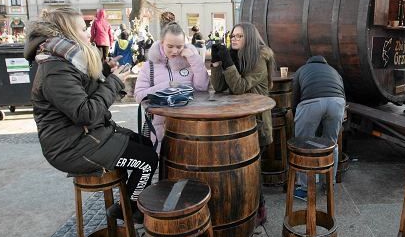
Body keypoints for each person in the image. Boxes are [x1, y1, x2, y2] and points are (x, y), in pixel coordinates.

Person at [23, 7, 157, 224]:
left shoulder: (66, 59)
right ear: (69, 34)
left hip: (88, 136)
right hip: (71, 147)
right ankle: (132, 209)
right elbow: (86, 113)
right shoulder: (55, 69)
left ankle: (123, 203)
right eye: (83, 29)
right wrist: (114, 82)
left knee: (145, 144)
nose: (89, 34)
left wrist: (104, 73)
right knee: (147, 160)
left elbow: (83, 92)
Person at [210, 22, 275, 225]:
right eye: (233, 36)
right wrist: (217, 63)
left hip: (256, 124)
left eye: (239, 36)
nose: (234, 39)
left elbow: (239, 87)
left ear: (250, 38)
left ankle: (260, 210)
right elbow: (219, 87)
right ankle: (244, 210)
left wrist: (228, 62)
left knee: (252, 171)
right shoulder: (237, 56)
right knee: (242, 171)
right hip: (240, 123)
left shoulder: (259, 59)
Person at [134, 22, 209, 152]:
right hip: (158, 130)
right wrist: (167, 86)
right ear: (162, 42)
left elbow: (202, 88)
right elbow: (139, 96)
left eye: (179, 46)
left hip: (188, 128)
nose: (175, 51)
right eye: (170, 46)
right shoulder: (149, 66)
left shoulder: (190, 61)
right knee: (162, 168)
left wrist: (194, 59)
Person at [291, 56, 346, 200]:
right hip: (337, 102)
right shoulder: (333, 71)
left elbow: (295, 97)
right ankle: (329, 185)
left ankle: (305, 189)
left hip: (311, 102)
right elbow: (342, 93)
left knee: (304, 144)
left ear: (308, 62)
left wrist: (294, 113)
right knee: (331, 143)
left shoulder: (302, 70)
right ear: (325, 63)